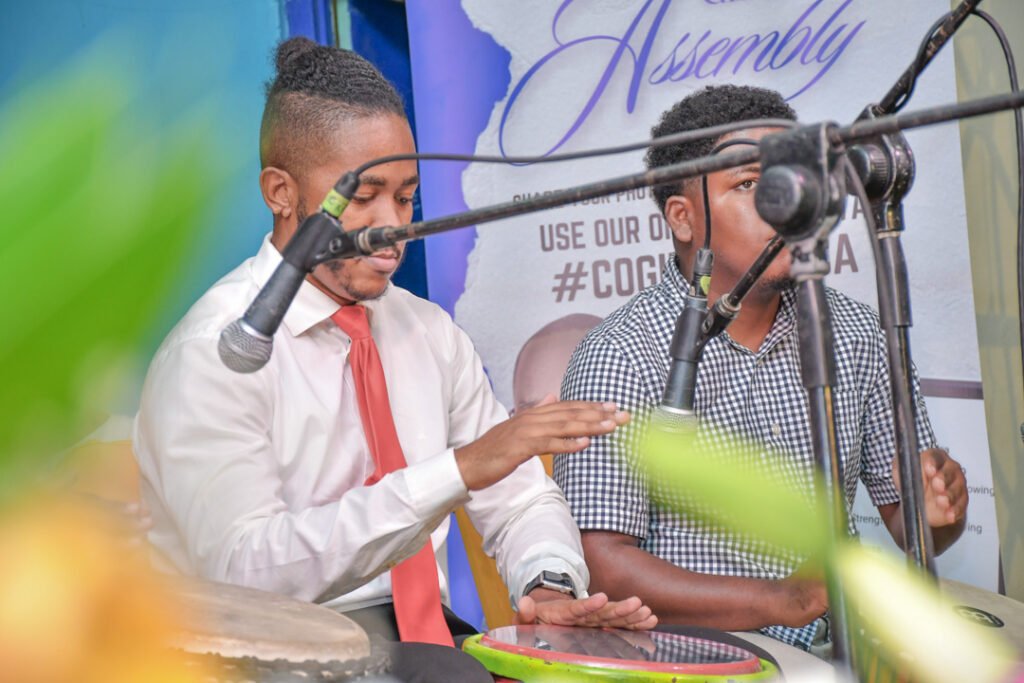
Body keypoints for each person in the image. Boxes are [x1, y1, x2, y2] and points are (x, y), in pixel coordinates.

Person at [134, 38, 655, 681]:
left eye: (407, 196)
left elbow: (519, 500)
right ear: (280, 191)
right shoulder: (214, 352)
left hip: (420, 642)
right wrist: (458, 469)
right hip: (253, 654)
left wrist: (548, 584)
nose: (395, 224)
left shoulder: (426, 330)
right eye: (364, 195)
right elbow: (244, 570)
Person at [553, 84, 968, 653]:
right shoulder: (622, 352)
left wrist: (937, 508)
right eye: (748, 184)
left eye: (790, 178)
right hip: (695, 659)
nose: (783, 202)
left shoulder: (857, 332)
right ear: (682, 218)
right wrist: (782, 600)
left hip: (836, 649)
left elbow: (914, 525)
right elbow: (604, 569)